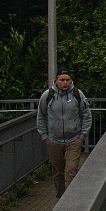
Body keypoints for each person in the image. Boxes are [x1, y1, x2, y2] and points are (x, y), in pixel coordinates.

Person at [36, 68, 92, 198]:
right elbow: (41, 116)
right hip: (53, 140)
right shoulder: (47, 96)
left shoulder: (77, 94)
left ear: (71, 81)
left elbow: (86, 115)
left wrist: (82, 136)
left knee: (71, 170)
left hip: (74, 140)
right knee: (58, 172)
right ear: (56, 81)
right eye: (62, 80)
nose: (65, 82)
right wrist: (45, 136)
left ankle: (70, 199)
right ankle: (60, 197)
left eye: (67, 80)